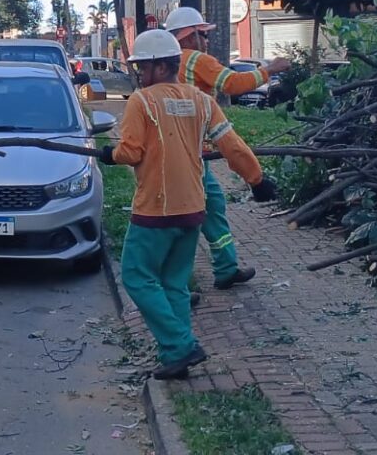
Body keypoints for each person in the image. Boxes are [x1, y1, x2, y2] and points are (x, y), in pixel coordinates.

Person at [98, 29, 274, 379]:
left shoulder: (142, 101)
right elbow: (232, 145)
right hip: (193, 208)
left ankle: (181, 345)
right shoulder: (202, 101)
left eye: (144, 67)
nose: (140, 74)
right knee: (174, 283)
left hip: (155, 209)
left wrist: (110, 154)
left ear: (162, 67)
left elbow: (130, 152)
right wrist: (257, 179)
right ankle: (175, 357)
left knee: (136, 276)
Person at [164, 7, 290, 291]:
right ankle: (178, 286)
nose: (207, 41)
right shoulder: (195, 60)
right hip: (192, 153)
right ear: (190, 36)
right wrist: (269, 70)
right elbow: (232, 84)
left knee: (212, 205)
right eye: (204, 35)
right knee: (188, 218)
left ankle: (225, 268)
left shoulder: (167, 64)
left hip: (181, 150)